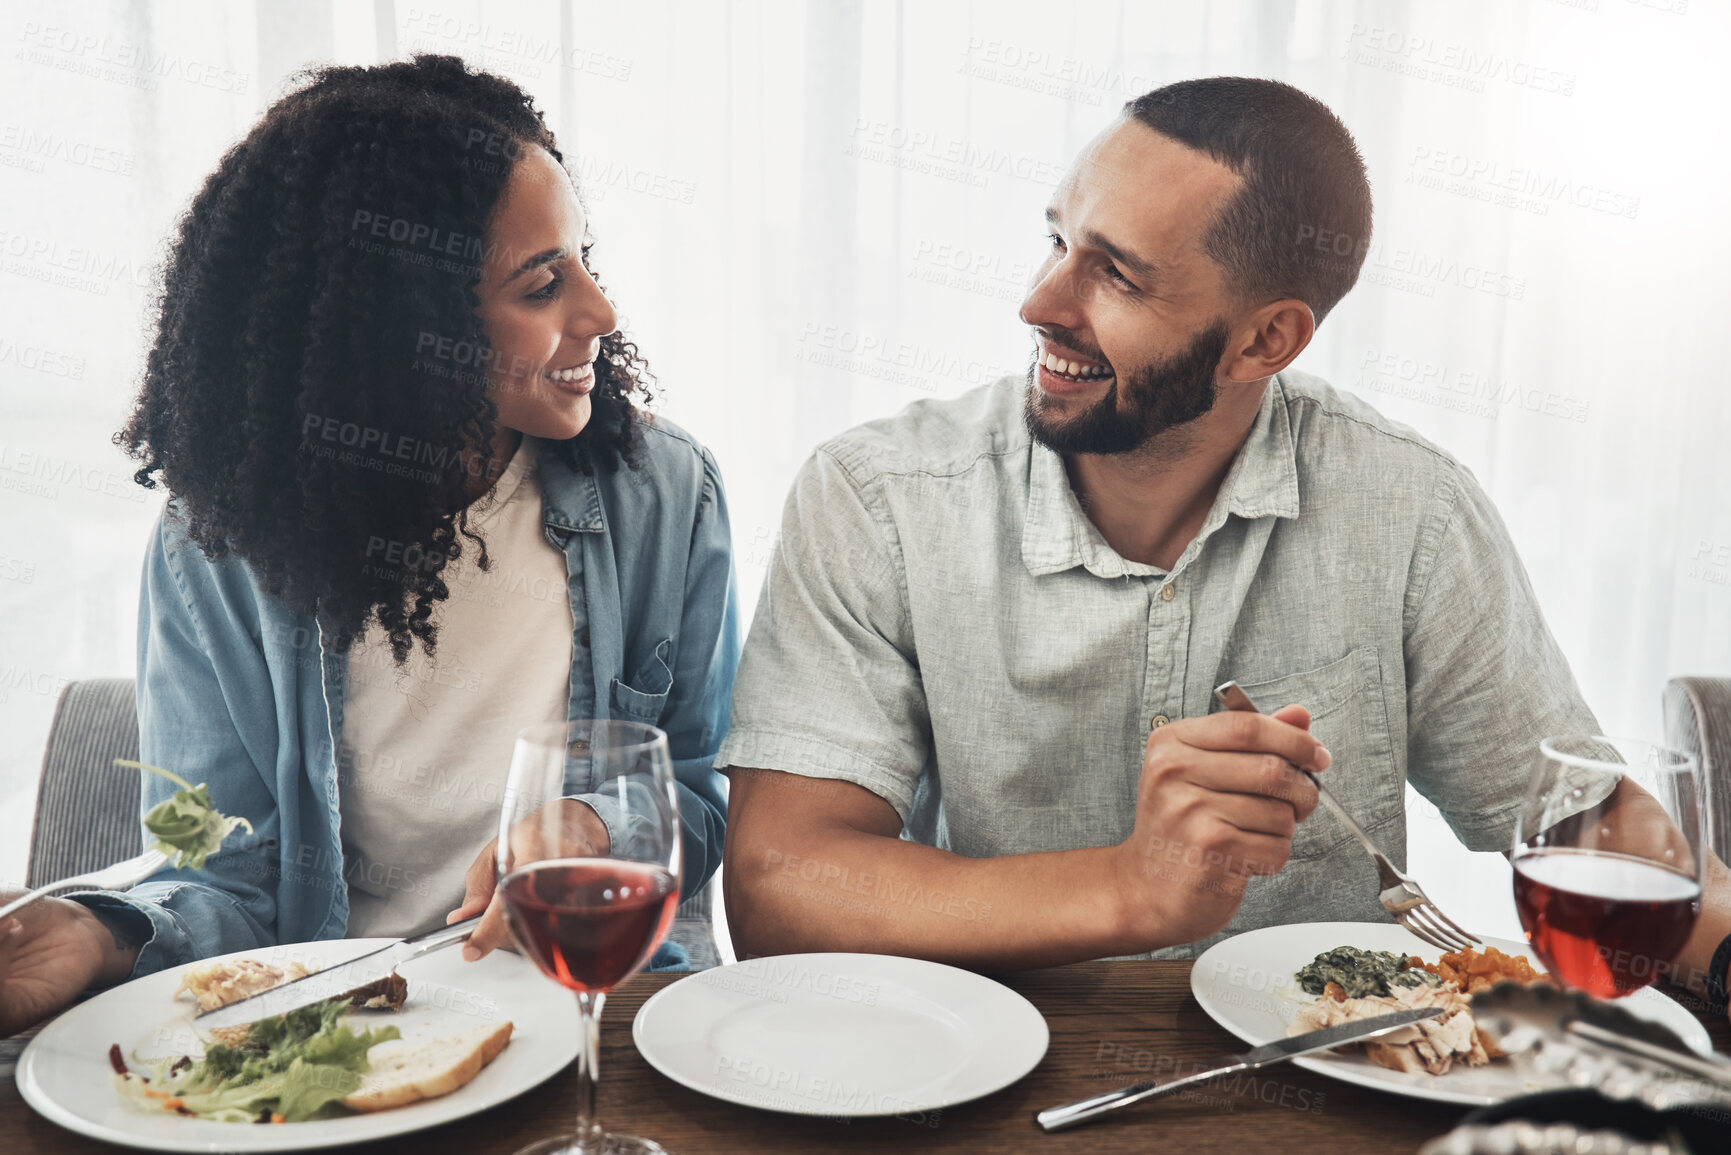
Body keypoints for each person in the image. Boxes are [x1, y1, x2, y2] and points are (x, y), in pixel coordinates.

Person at [718, 77, 1731, 1008]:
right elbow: (780, 890)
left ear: (1266, 342)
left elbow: (1584, 829)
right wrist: (1131, 889)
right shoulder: (877, 498)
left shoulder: (1409, 510)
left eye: (1114, 275)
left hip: (1328, 1082)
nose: (1040, 304)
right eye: (1059, 240)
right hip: (972, 1077)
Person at [0, 55, 737, 1036]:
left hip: (592, 1018)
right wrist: (100, 933)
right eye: (541, 286)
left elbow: (707, 786)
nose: (599, 312)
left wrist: (596, 827)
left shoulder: (665, 496)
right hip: (341, 1035)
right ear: (404, 332)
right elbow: (228, 874)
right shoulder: (215, 548)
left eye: (583, 260)